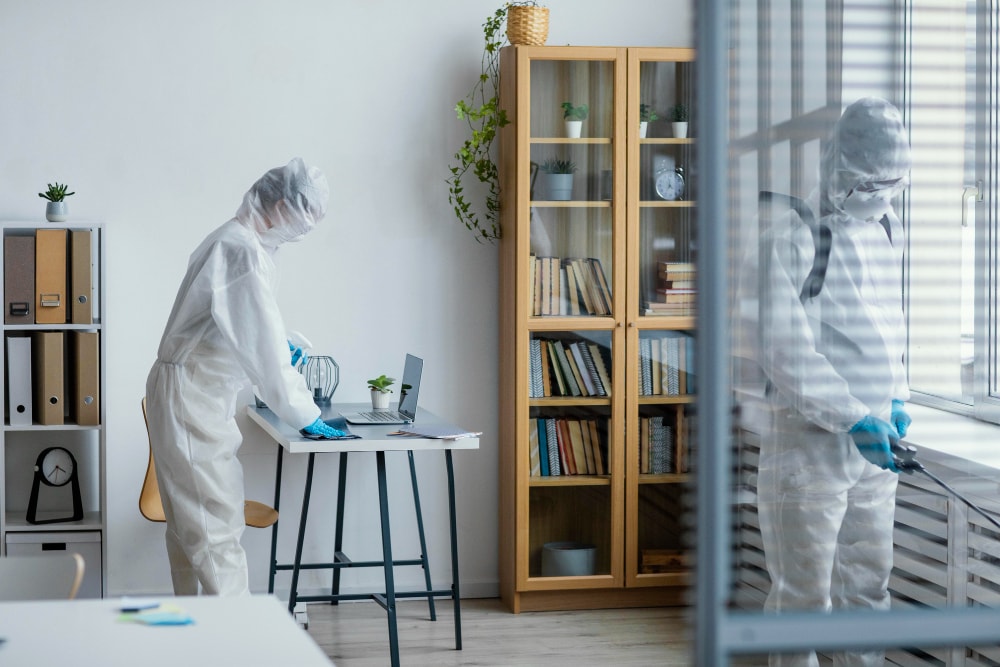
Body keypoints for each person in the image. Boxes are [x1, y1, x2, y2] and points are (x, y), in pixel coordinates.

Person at [735, 97, 913, 666]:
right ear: (838, 167)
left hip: (873, 446)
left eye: (893, 181)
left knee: (868, 591)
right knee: (804, 599)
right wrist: (851, 415)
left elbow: (888, 324)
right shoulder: (789, 240)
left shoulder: (884, 230)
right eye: (870, 181)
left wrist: (895, 399)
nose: (881, 193)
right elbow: (785, 352)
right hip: (806, 450)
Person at [145, 157, 345, 596]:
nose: (301, 229)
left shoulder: (239, 243)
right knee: (215, 527)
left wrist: (279, 344)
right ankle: (238, 641)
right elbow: (262, 346)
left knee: (189, 524)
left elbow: (240, 325)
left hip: (194, 391)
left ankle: (199, 633)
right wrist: (303, 412)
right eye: (301, 216)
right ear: (276, 203)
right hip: (191, 396)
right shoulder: (239, 249)